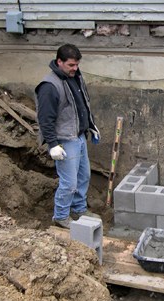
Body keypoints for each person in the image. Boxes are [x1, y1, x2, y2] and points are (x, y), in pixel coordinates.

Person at [35, 44, 100, 229]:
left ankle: (78, 209)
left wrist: (91, 125)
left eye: (77, 64)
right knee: (69, 182)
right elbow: (45, 119)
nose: (75, 68)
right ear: (59, 62)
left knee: (83, 176)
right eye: (71, 65)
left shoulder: (75, 77)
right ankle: (61, 216)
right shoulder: (49, 86)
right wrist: (53, 144)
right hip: (64, 140)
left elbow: (82, 105)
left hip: (78, 136)